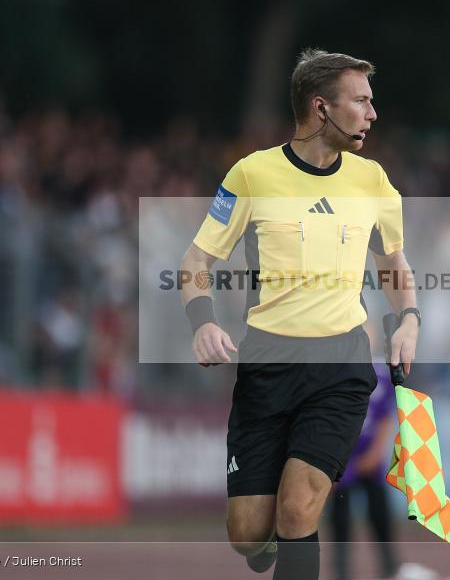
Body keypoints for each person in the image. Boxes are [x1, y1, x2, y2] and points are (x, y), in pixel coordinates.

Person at [180, 48, 421, 580]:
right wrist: (204, 323)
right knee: (247, 533)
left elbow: (394, 265)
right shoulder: (251, 174)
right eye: (360, 101)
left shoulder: (373, 181)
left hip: (340, 366)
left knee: (298, 508)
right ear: (321, 108)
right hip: (266, 365)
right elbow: (197, 260)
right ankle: (264, 549)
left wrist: (408, 319)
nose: (372, 113)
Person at [329, 360, 399, 580]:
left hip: (370, 456)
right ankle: (341, 571)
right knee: (340, 515)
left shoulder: (382, 376)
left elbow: (387, 416)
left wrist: (377, 451)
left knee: (379, 513)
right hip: (342, 455)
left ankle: (390, 568)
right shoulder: (333, 372)